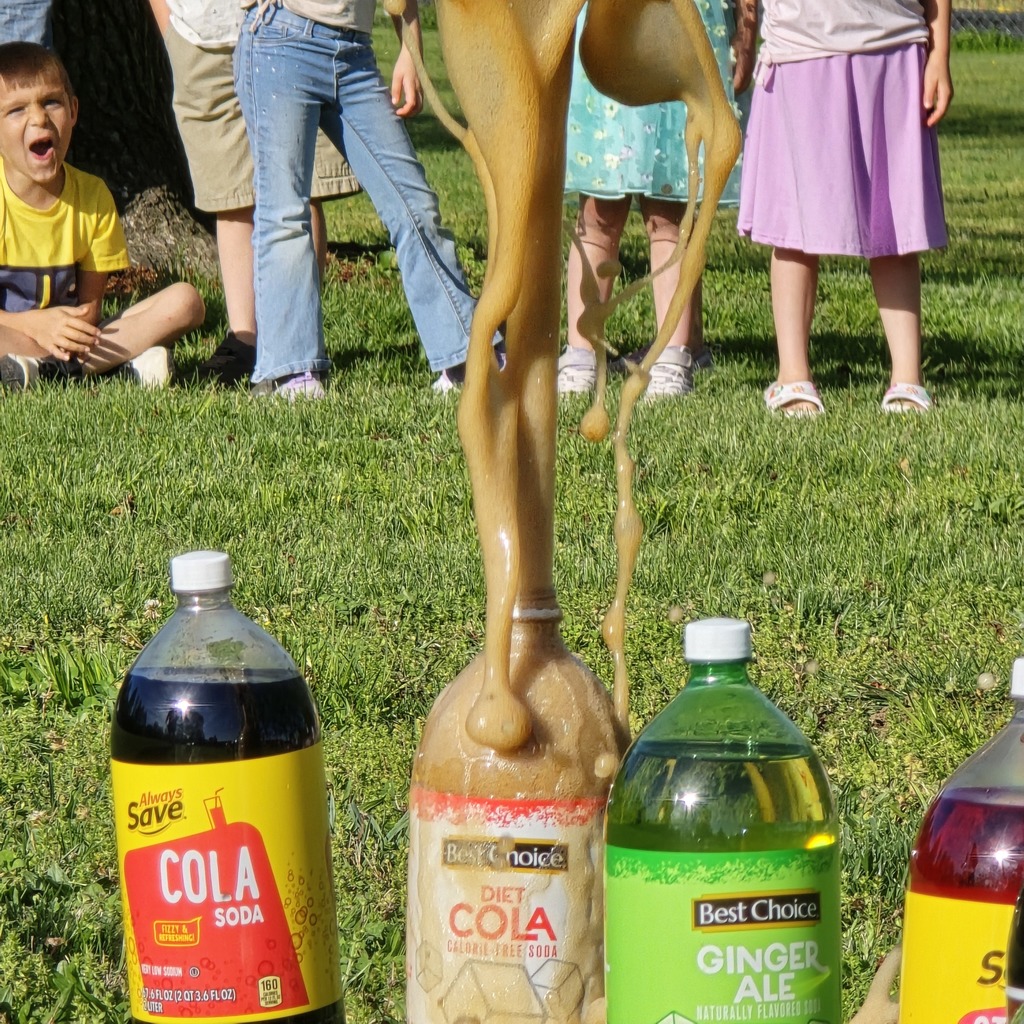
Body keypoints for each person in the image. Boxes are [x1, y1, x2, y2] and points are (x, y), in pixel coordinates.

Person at [235, 0, 490, 399]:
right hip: (281, 40)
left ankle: (463, 356)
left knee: (413, 203)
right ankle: (292, 373)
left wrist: (410, 45)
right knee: (284, 214)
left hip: (355, 53)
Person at [738, 0, 952, 415]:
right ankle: (792, 374)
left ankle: (908, 378)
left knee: (894, 223)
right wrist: (745, 40)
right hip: (802, 47)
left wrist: (940, 53)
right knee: (796, 228)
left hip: (895, 46)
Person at [147, 0, 361, 387]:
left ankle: (295, 335)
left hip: (289, 26)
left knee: (298, 187)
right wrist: (171, 28)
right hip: (200, 33)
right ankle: (244, 338)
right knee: (229, 193)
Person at [558, 0, 756, 399]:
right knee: (597, 212)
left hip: (680, 34)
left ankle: (673, 353)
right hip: (610, 34)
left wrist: (746, 24)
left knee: (668, 213)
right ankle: (582, 351)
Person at [0, 42, 205, 390]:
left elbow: (89, 312)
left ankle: (42, 374)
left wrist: (63, 332)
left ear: (74, 110)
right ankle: (113, 368)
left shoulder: (93, 196)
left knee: (187, 302)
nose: (39, 118)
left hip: (77, 342)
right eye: (16, 110)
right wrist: (37, 325)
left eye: (52, 102)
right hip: (14, 335)